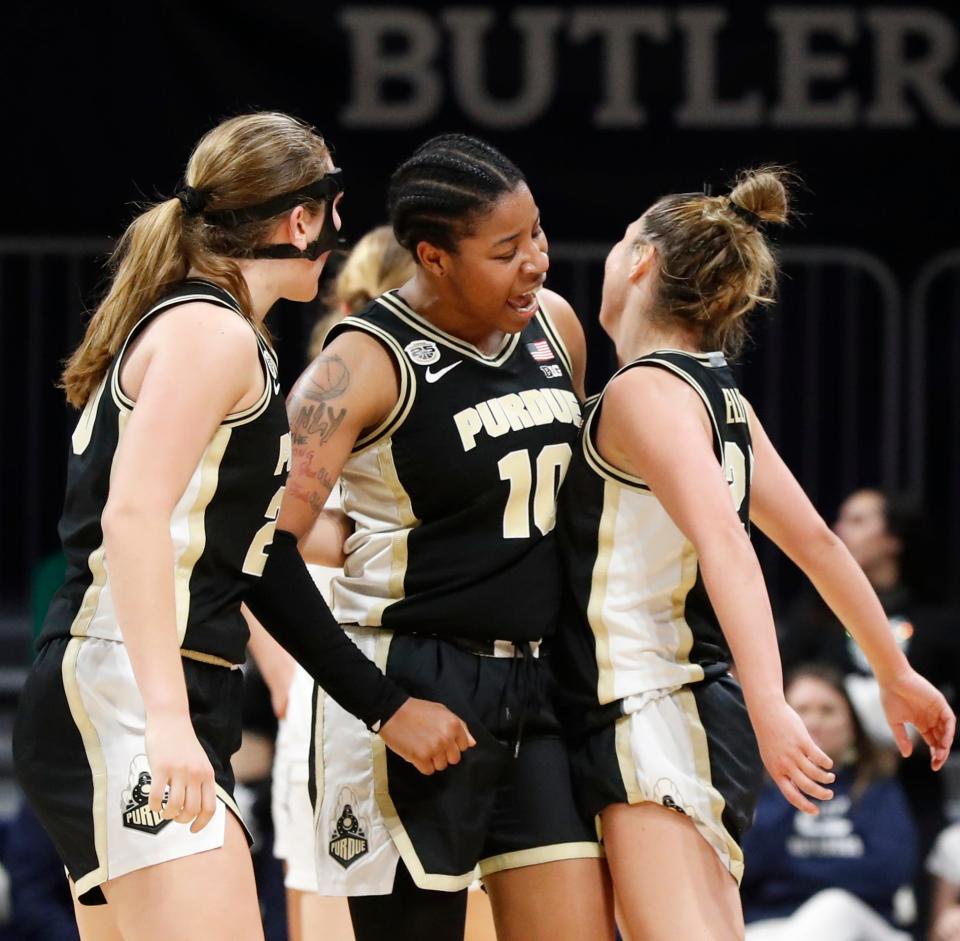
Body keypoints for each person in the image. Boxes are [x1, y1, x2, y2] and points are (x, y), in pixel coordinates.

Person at [11, 111, 470, 941]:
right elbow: (134, 514)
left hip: (140, 685)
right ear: (300, 220)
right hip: (132, 684)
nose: (336, 230)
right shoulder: (210, 332)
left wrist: (381, 703)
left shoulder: (219, 332)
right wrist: (163, 717)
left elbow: (259, 562)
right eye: (332, 209)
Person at [553, 167, 955, 941]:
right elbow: (819, 544)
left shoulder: (643, 391)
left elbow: (729, 544)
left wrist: (773, 702)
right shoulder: (718, 394)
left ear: (640, 260)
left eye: (618, 241)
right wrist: (894, 670)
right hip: (671, 708)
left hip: (651, 706)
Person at [272, 133, 614, 941]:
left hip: (535, 688)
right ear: (433, 255)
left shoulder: (555, 328)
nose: (535, 260)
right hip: (412, 682)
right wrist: (385, 707)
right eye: (506, 248)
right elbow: (263, 553)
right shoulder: (359, 365)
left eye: (536, 233)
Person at [261, 225, 415, 941]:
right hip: (335, 667)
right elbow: (255, 536)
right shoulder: (335, 379)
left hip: (419, 670)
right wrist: (284, 684)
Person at [741, 665, 917, 940]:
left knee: (832, 907)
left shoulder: (877, 787)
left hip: (864, 924)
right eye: (802, 710)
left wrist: (790, 878)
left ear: (851, 726)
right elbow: (746, 869)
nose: (814, 722)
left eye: (827, 710)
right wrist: (789, 783)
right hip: (773, 925)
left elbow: (890, 872)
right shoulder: (761, 790)